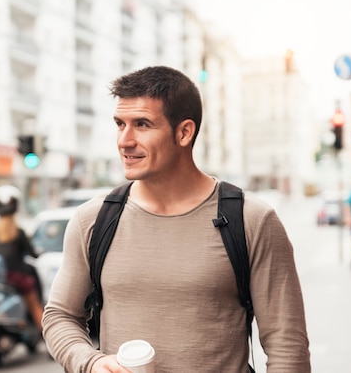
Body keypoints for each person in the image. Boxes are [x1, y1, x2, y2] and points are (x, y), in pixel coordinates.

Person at [42, 66, 310, 372]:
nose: (124, 141)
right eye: (120, 124)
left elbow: (287, 345)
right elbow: (60, 316)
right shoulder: (93, 219)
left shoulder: (252, 220)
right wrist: (91, 362)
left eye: (141, 124)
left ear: (184, 132)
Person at [0, 184, 44, 330]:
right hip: (16, 277)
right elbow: (31, 253)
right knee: (35, 305)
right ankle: (49, 337)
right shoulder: (18, 231)